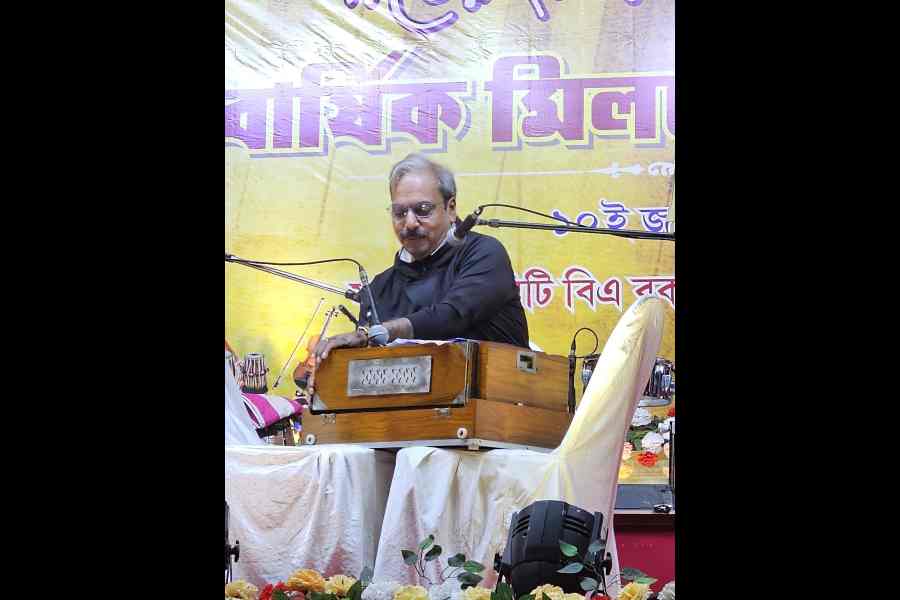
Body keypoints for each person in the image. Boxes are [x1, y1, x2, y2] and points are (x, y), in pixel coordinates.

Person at [312, 153, 529, 362]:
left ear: (450, 208)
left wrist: (386, 330)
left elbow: (453, 314)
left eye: (423, 209)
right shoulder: (379, 288)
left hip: (496, 395)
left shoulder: (484, 253)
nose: (410, 223)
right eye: (399, 213)